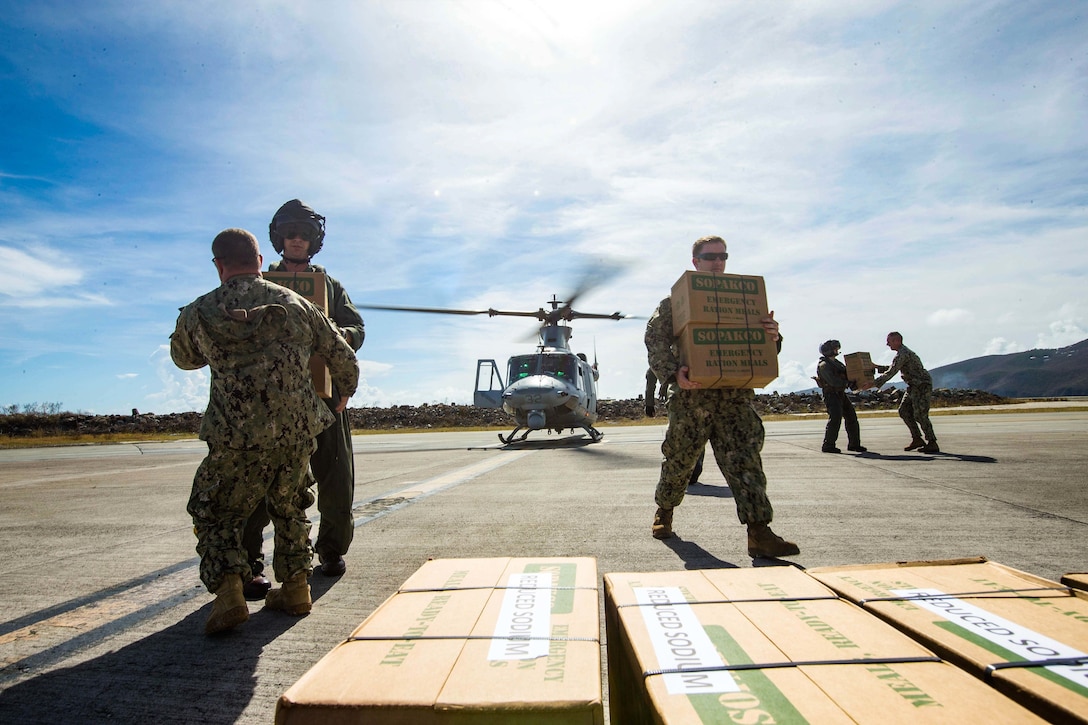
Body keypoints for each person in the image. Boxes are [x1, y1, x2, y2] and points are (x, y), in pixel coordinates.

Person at [170, 228, 360, 634]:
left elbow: (184, 359)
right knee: (291, 506)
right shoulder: (299, 305)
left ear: (219, 265)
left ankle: (230, 592)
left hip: (235, 436)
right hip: (294, 432)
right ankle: (295, 588)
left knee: (214, 510)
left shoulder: (199, 311)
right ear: (260, 261)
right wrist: (343, 393)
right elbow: (343, 354)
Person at [242, 200, 366, 599]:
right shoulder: (259, 281)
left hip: (326, 396)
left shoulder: (330, 285)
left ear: (314, 241)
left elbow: (355, 327)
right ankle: (250, 562)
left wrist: (340, 343)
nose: (297, 239)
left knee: (334, 476)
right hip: (271, 401)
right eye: (291, 233)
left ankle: (330, 551)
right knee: (259, 482)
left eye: (305, 234)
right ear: (279, 238)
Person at [646, 235, 799, 558]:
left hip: (734, 397)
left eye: (722, 256)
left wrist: (773, 335)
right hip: (692, 398)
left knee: (746, 462)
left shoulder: (744, 298)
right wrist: (674, 373)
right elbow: (655, 340)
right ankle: (665, 510)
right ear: (695, 261)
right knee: (680, 460)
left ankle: (759, 532)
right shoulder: (675, 302)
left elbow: (761, 345)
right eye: (710, 256)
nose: (718, 262)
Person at [872, 331, 939, 453]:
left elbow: (892, 371)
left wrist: (873, 384)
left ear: (897, 341)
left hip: (921, 386)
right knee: (903, 411)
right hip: (913, 386)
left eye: (889, 341)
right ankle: (917, 438)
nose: (887, 344)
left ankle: (932, 442)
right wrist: (877, 367)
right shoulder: (901, 354)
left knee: (920, 415)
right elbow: (894, 367)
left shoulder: (903, 354)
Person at [816, 340, 866, 453]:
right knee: (835, 418)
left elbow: (847, 373)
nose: (836, 350)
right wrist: (847, 383)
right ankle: (828, 445)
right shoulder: (824, 365)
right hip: (831, 394)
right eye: (834, 348)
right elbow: (833, 381)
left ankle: (854, 444)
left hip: (840, 393)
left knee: (851, 417)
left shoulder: (836, 363)